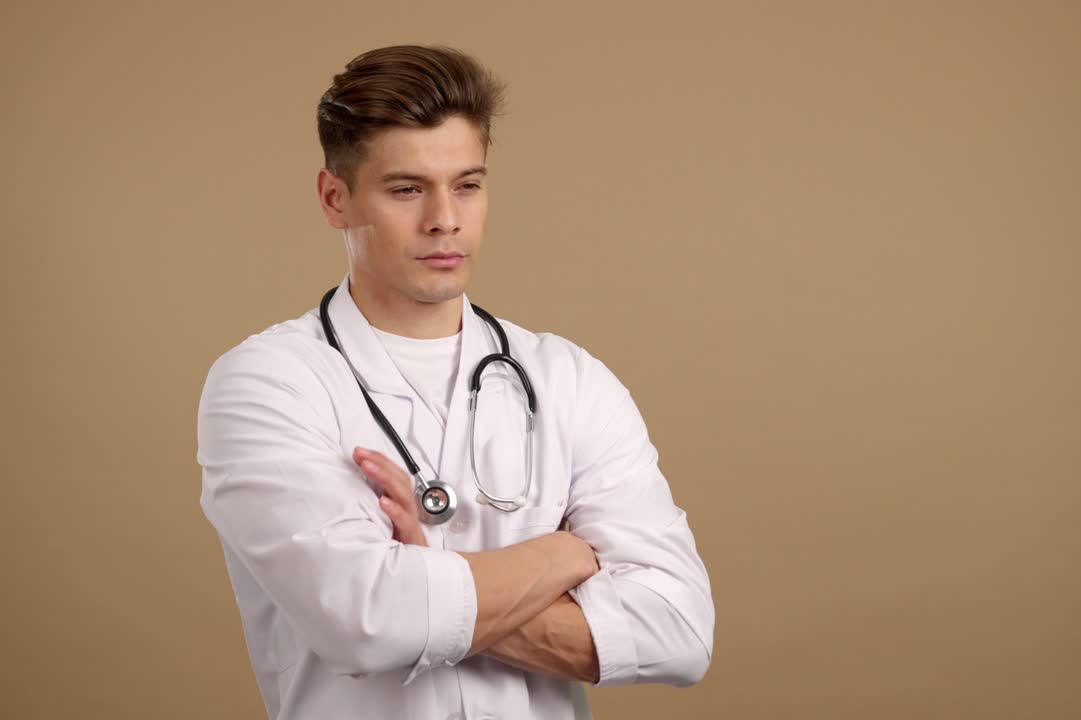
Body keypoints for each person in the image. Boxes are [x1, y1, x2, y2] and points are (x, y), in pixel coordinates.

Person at [195, 44, 714, 719]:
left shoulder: (568, 381)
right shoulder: (268, 385)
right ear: (335, 198)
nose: (446, 218)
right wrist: (563, 554)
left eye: (468, 184)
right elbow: (364, 623)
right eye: (406, 189)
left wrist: (427, 578)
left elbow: (678, 633)